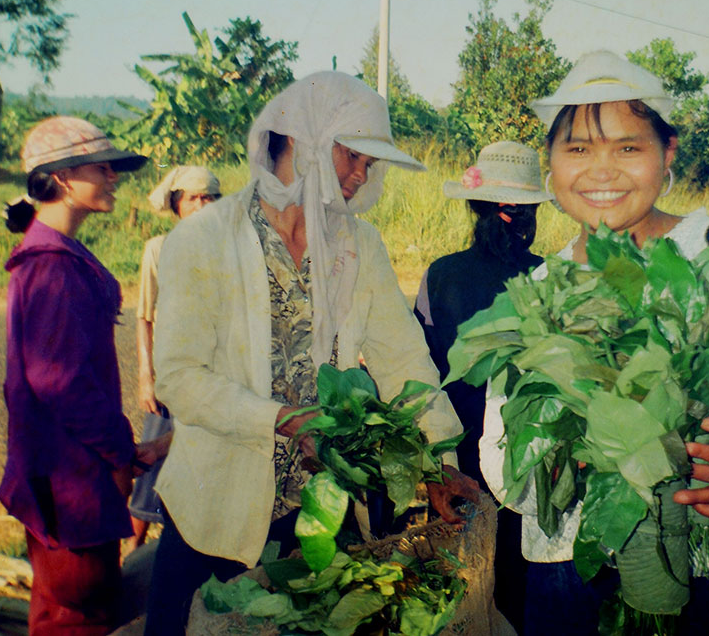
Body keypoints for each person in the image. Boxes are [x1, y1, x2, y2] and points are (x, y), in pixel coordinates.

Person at [478, 51, 709, 634]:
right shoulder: (533, 290)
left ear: (667, 154)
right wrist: (563, 466)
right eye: (578, 149)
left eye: (627, 147)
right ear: (550, 163)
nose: (601, 170)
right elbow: (499, 451)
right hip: (571, 580)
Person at [144, 72, 474, 635]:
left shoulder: (358, 244)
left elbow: (404, 363)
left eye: (370, 165)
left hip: (318, 512)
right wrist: (282, 419)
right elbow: (178, 377)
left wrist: (440, 458)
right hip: (214, 508)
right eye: (351, 154)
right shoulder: (204, 240)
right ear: (300, 138)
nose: (359, 175)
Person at [0, 116, 156, 635]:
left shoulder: (53, 253)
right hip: (72, 485)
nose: (114, 177)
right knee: (77, 616)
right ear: (64, 178)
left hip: (63, 477)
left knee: (58, 611)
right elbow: (58, 381)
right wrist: (118, 447)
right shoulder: (50, 264)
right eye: (103, 167)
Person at [414, 140, 550, 631]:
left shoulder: (439, 275)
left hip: (465, 462)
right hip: (526, 465)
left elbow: (422, 374)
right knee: (518, 589)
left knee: (472, 589)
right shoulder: (547, 277)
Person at [127, 166, 222, 552]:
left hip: (212, 375)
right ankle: (133, 550)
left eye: (209, 197)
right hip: (170, 374)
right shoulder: (158, 248)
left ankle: (185, 547)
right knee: (152, 457)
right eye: (193, 198)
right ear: (176, 205)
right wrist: (145, 374)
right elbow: (145, 316)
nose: (202, 206)